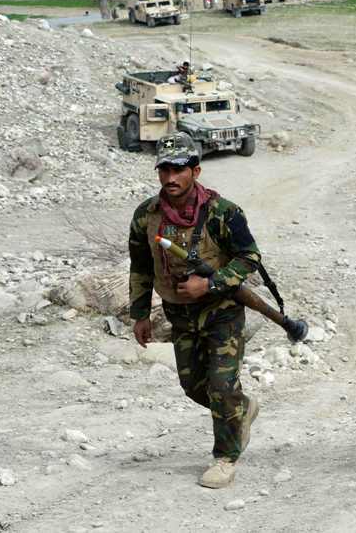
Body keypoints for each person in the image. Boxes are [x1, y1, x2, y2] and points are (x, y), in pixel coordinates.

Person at [128, 133, 262, 489]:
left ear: (196, 171)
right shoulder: (147, 216)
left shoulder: (223, 212)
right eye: (165, 170)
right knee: (193, 386)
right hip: (179, 315)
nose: (171, 178)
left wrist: (211, 283)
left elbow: (249, 258)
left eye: (179, 170)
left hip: (222, 311)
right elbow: (140, 266)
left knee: (220, 385)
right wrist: (140, 314)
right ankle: (240, 408)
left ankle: (225, 457)